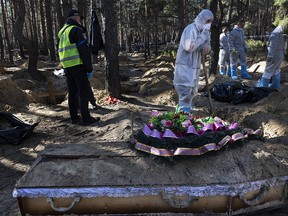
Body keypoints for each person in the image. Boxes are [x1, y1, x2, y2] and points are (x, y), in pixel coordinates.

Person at [58, 9, 100, 126]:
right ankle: (86, 118)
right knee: (83, 91)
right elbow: (84, 50)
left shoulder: (62, 32)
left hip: (67, 67)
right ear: (75, 18)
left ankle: (74, 117)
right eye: (79, 18)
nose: (80, 20)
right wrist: (89, 68)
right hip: (77, 65)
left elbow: (60, 50)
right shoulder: (76, 30)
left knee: (72, 92)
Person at [173, 9, 214, 113]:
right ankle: (182, 118)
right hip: (184, 68)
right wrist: (202, 37)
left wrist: (205, 44)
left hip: (194, 69)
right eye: (207, 21)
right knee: (184, 95)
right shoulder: (191, 29)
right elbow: (189, 47)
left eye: (210, 22)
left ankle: (183, 117)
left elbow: (206, 50)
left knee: (190, 95)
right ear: (202, 19)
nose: (208, 24)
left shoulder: (204, 32)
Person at [256, 24, 285, 90]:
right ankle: (275, 86)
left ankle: (263, 87)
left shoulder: (274, 35)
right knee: (276, 70)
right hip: (280, 54)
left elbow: (272, 46)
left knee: (268, 71)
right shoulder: (280, 34)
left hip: (274, 55)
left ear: (271, 28)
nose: (267, 30)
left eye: (268, 28)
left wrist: (270, 56)